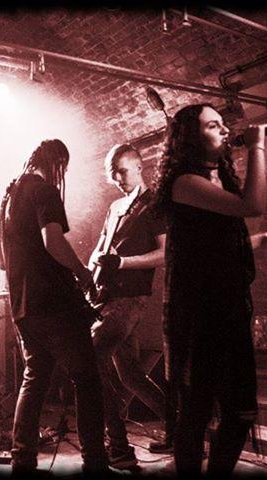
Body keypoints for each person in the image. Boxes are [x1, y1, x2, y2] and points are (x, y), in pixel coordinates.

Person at [153, 103, 267, 476]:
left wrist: (263, 241)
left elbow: (217, 240)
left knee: (241, 410)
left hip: (229, 308)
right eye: (212, 125)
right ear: (191, 137)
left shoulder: (220, 180)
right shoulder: (184, 183)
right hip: (200, 315)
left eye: (222, 124)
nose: (223, 130)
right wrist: (258, 146)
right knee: (197, 411)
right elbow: (253, 205)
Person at [0, 139, 110, 474]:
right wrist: (83, 274)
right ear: (58, 163)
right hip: (55, 305)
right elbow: (53, 241)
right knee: (86, 379)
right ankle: (95, 462)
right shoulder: (44, 190)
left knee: (35, 378)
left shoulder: (6, 199)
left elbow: (2, 261)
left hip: (23, 306)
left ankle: (22, 461)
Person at [88, 144, 170, 468]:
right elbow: (100, 248)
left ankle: (119, 447)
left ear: (139, 166)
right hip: (105, 296)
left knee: (92, 357)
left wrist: (122, 263)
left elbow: (165, 254)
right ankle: (182, 429)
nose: (117, 179)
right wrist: (89, 277)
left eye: (122, 171)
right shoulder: (115, 206)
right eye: (113, 174)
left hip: (130, 298)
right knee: (131, 376)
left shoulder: (155, 205)